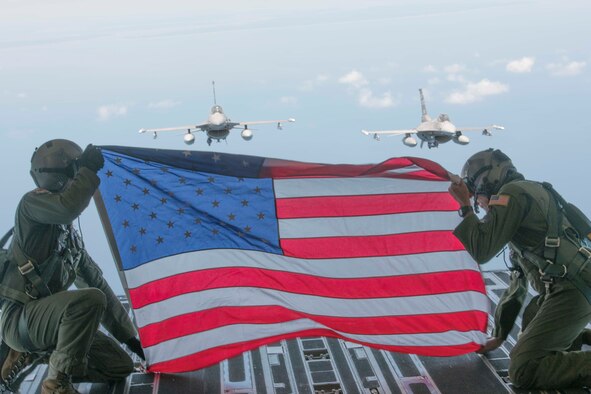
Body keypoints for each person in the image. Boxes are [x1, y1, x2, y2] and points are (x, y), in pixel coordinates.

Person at [0, 139, 144, 394]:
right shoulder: (30, 205)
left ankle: (40, 353)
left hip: (51, 324)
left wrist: (129, 338)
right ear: (66, 174)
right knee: (88, 300)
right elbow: (68, 208)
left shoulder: (69, 241)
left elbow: (98, 285)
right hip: (20, 320)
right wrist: (88, 171)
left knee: (118, 366)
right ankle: (56, 385)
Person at [448, 148, 591, 390]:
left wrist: (464, 206)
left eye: (476, 196)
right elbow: (518, 283)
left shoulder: (512, 194)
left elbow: (481, 251)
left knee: (525, 369)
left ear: (486, 182)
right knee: (532, 317)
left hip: (572, 289)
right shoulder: (528, 198)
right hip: (571, 287)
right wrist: (500, 336)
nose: (480, 205)